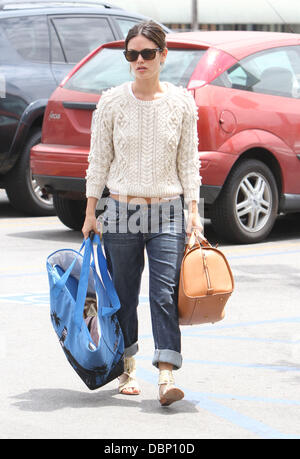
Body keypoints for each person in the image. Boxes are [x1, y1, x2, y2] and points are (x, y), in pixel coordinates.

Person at [82, 20, 202, 406]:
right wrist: (89, 211)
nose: (139, 60)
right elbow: (98, 159)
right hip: (120, 210)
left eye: (147, 53)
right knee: (123, 293)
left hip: (167, 210)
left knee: (164, 293)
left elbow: (189, 164)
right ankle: (127, 367)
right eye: (132, 54)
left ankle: (166, 374)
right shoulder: (112, 102)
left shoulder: (182, 103)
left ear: (163, 56)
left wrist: (194, 213)